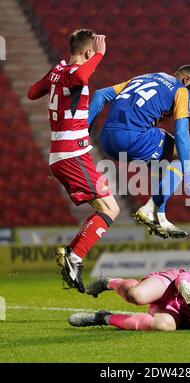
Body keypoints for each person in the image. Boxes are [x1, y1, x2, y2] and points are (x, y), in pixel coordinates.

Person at [27, 30, 120, 293]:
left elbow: (32, 92)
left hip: (59, 154)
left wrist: (51, 79)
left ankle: (72, 253)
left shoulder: (59, 71)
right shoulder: (75, 72)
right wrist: (100, 55)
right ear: (89, 51)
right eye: (94, 53)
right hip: (73, 153)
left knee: (105, 208)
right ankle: (75, 257)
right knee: (111, 209)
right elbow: (80, 75)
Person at [88, 66, 190, 239]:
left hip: (106, 140)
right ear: (186, 80)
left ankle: (156, 211)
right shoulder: (181, 90)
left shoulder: (145, 77)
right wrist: (187, 173)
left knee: (164, 166)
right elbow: (181, 133)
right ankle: (153, 210)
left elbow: (100, 95)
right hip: (133, 139)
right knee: (187, 155)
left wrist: (82, 134)